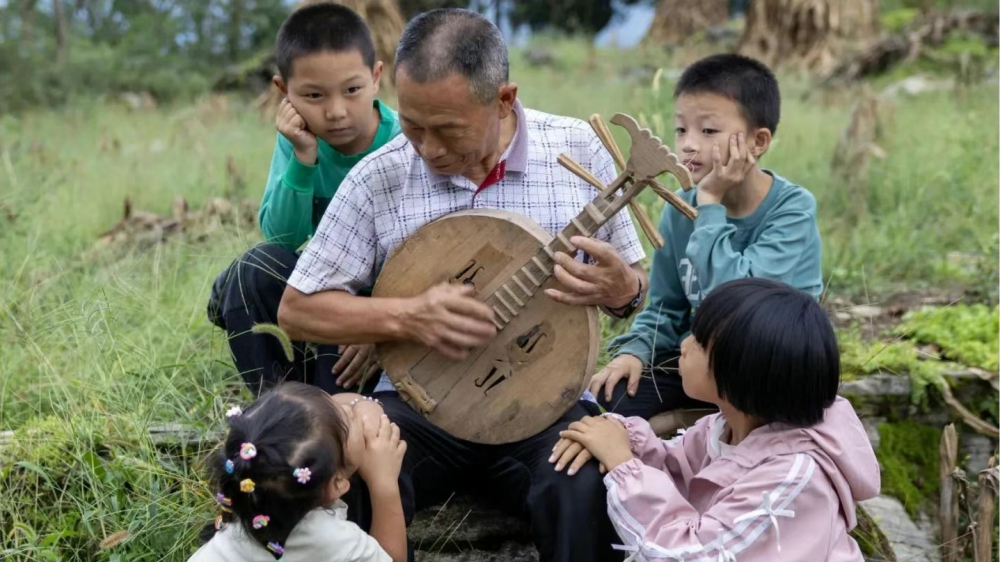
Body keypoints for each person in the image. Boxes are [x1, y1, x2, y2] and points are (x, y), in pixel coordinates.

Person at [276, 8, 649, 561]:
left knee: (582, 483)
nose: (426, 147)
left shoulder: (579, 152)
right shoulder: (382, 174)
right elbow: (297, 308)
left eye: (447, 129)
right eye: (412, 123)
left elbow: (635, 288)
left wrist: (623, 290)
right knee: (343, 476)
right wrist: (405, 316)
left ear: (503, 100)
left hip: (545, 406)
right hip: (419, 406)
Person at [552, 278, 880, 561]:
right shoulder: (724, 429)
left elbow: (692, 555)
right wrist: (622, 436)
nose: (683, 346)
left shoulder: (793, 477)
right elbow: (675, 469)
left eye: (700, 342)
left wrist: (623, 465)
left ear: (742, 374)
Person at [590, 54, 824, 420]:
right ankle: (688, 424)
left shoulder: (792, 210)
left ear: (758, 141)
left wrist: (711, 203)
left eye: (708, 131)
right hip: (701, 362)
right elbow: (666, 306)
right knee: (612, 399)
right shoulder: (681, 209)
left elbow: (739, 305)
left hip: (766, 369)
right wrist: (634, 350)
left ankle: (690, 423)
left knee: (746, 405)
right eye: (682, 129)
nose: (688, 145)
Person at [207, 2, 402, 396]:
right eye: (314, 95)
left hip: (385, 318)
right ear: (284, 91)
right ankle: (276, 406)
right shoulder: (298, 140)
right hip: (320, 303)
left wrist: (378, 327)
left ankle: (323, 412)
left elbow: (428, 255)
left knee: (337, 402)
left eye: (352, 90)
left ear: (376, 76)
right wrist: (302, 159)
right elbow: (281, 240)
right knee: (251, 272)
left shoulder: (404, 144)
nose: (335, 112)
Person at [189, 382, 407, 562]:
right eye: (348, 421)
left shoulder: (235, 528)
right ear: (337, 483)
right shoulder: (334, 540)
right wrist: (384, 484)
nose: (351, 409)